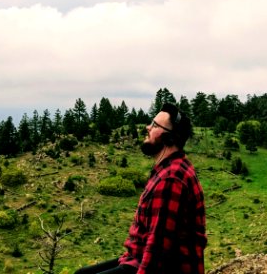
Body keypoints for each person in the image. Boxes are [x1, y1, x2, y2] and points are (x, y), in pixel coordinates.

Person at [76, 102, 206, 274]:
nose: (147, 127)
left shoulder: (171, 179)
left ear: (169, 137)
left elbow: (159, 247)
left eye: (154, 125)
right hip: (137, 257)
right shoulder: (169, 168)